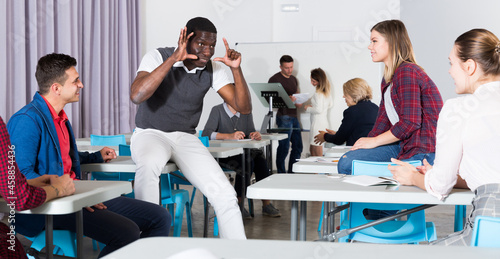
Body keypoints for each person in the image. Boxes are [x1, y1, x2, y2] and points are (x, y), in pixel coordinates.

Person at [7, 53, 171, 257]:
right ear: (56, 88)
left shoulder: (60, 118)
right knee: (126, 232)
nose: (81, 85)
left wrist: (95, 157)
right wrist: (70, 194)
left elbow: (61, 158)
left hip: (76, 195)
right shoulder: (27, 121)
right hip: (49, 206)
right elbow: (20, 178)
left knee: (159, 216)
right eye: (75, 80)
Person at [129, 17, 249, 239]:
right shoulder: (158, 56)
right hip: (150, 133)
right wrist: (174, 58)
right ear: (186, 38)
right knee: (148, 168)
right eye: (201, 44)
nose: (207, 51)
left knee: (225, 195)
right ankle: (146, 249)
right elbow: (137, 95)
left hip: (185, 137)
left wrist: (236, 70)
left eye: (211, 45)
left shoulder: (213, 69)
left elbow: (243, 107)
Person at [389, 28, 500, 246]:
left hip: (491, 220)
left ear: (469, 67)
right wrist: (446, 176)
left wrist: (411, 176)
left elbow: (440, 187)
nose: (450, 71)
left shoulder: (458, 109)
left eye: (451, 63)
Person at [337, 19, 443, 175]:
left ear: (391, 43)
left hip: (422, 150)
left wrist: (374, 142)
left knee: (348, 164)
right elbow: (382, 122)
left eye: (374, 41)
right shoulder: (388, 78)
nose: (369, 47)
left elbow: (410, 122)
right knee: (349, 160)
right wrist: (364, 144)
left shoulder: (408, 71)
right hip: (403, 146)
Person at [0, 116, 75, 258]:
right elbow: (18, 197)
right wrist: (59, 189)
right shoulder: (27, 119)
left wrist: (28, 183)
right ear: (56, 91)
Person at [202, 102, 281, 218]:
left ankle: (266, 204)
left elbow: (250, 132)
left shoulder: (246, 111)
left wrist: (255, 135)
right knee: (246, 163)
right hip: (224, 155)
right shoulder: (217, 110)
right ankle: (239, 203)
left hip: (242, 152)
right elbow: (206, 133)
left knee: (261, 162)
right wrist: (229, 136)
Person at [314, 78, 378, 146]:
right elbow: (360, 132)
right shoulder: (376, 108)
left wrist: (324, 136)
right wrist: (337, 134)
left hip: (357, 153)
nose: (343, 96)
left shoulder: (352, 111)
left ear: (353, 93)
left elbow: (339, 140)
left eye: (346, 93)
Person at [268, 55, 303, 173]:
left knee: (298, 146)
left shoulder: (293, 79)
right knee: (284, 147)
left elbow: (296, 95)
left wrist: (298, 101)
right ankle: (281, 173)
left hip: (294, 116)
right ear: (281, 67)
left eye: (291, 67)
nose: (289, 70)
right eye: (287, 68)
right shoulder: (274, 79)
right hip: (283, 116)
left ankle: (292, 172)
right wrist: (286, 99)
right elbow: (270, 101)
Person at [303, 68, 333, 156]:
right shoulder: (326, 92)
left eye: (313, 81)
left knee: (316, 152)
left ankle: (318, 170)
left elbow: (318, 110)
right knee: (313, 150)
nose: (312, 83)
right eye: (311, 80)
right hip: (323, 123)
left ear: (319, 81)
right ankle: (315, 169)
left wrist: (307, 108)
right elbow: (330, 105)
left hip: (317, 125)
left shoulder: (317, 94)